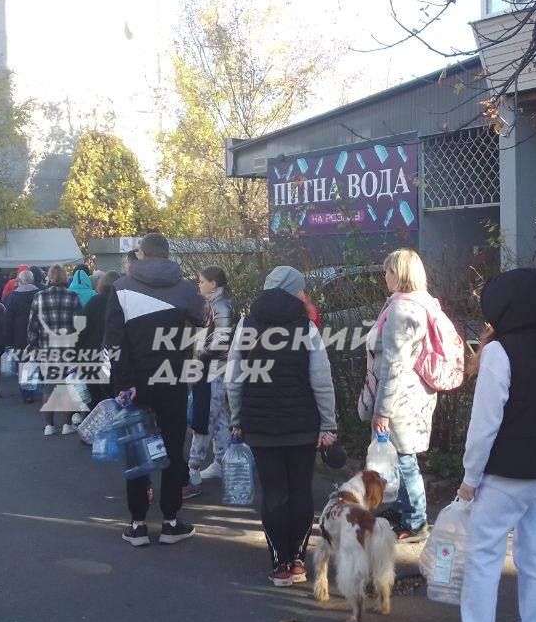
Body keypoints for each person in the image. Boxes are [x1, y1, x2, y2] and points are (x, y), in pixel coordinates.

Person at [425, 268, 536, 622]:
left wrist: (470, 477)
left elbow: (485, 423)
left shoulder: (500, 353)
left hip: (508, 473)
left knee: (485, 556)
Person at [225, 266, 337, 586]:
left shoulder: (246, 325)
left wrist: (237, 420)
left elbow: (234, 380)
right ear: (294, 291)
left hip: (259, 427)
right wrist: (328, 423)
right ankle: (299, 562)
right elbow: (321, 380)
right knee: (301, 491)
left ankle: (280, 566)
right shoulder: (306, 327)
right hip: (302, 425)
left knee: (274, 493)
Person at [105, 232, 207, 546]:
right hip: (174, 380)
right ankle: (171, 522)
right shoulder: (187, 287)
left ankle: (137, 526)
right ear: (166, 254)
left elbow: (114, 342)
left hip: (135, 384)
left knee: (137, 450)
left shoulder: (121, 288)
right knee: (174, 448)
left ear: (142, 254)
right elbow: (204, 320)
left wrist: (124, 384)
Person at [363, 248, 438, 542]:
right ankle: (404, 511)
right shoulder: (421, 304)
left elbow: (394, 364)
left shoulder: (402, 310)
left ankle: (416, 521)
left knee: (405, 459)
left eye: (389, 271)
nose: (385, 276)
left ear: (402, 274)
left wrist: (382, 410)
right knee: (401, 457)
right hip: (414, 393)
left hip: (401, 398)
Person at [186, 266, 235, 497]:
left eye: (202, 281)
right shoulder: (215, 304)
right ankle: (221, 462)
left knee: (205, 415)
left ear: (214, 284)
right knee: (218, 417)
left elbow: (221, 339)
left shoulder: (220, 305)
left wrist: (198, 353)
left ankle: (192, 470)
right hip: (213, 368)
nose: (199, 285)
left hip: (213, 369)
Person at [26, 264, 82, 436]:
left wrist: (33, 344)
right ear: (65, 277)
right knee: (67, 386)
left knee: (49, 386)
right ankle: (66, 425)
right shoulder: (73, 296)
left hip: (47, 347)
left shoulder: (39, 297)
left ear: (49, 277)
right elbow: (80, 324)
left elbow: (33, 324)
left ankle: (49, 426)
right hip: (69, 348)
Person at [80, 270, 120, 411]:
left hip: (91, 356)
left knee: (95, 399)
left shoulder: (94, 301)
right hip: (114, 356)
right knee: (114, 396)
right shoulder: (122, 301)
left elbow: (80, 329)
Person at [4, 270, 39, 402]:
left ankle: (26, 393)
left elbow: (8, 320)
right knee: (36, 362)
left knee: (23, 364)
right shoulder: (40, 294)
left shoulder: (12, 297)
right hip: (38, 335)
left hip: (19, 336)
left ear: (20, 281)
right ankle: (35, 388)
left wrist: (7, 340)